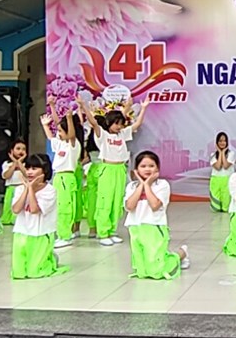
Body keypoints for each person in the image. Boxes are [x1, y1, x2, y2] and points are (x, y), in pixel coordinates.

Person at [79, 97, 148, 247]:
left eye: (121, 124)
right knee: (105, 201)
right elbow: (93, 122)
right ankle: (102, 232)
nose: (119, 127)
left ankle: (112, 231)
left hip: (120, 169)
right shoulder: (102, 135)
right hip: (107, 169)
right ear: (109, 123)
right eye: (116, 123)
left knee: (117, 202)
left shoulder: (122, 134)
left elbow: (137, 124)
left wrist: (143, 108)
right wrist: (83, 106)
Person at [124, 151, 189, 280]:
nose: (147, 169)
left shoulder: (162, 185)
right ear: (136, 169)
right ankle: (167, 258)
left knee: (156, 272)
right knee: (142, 272)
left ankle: (182, 253)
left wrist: (147, 185)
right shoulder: (131, 186)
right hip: (135, 227)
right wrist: (141, 185)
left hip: (154, 227)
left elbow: (155, 205)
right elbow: (130, 206)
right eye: (143, 166)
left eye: (151, 166)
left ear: (157, 168)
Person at [10, 153, 70, 279]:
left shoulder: (50, 190)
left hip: (41, 234)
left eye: (34, 168)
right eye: (28, 168)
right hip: (22, 232)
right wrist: (26, 189)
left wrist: (31, 189)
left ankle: (51, 259)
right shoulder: (20, 189)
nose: (30, 172)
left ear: (44, 171)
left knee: (35, 272)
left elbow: (34, 210)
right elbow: (16, 209)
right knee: (18, 273)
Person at [44, 107, 83, 248]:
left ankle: (65, 236)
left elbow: (71, 135)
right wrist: (45, 125)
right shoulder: (60, 144)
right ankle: (62, 233)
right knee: (59, 206)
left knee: (65, 208)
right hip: (58, 177)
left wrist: (69, 119)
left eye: (61, 131)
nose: (58, 134)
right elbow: (50, 137)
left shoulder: (73, 144)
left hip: (67, 177)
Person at [0, 139, 27, 227]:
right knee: (8, 204)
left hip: (22, 187)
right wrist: (15, 163)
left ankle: (16, 220)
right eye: (18, 149)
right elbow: (6, 176)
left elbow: (26, 174)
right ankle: (6, 219)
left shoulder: (27, 164)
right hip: (10, 187)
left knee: (18, 205)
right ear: (12, 151)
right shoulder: (6, 164)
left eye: (23, 149)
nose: (21, 151)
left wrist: (20, 163)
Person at [209, 132, 235, 213]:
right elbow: (218, 167)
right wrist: (220, 153)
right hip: (215, 180)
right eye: (220, 141)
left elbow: (226, 166)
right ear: (217, 142)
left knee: (226, 208)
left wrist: (223, 152)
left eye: (224, 141)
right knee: (215, 208)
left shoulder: (231, 154)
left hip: (227, 179)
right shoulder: (213, 155)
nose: (222, 143)